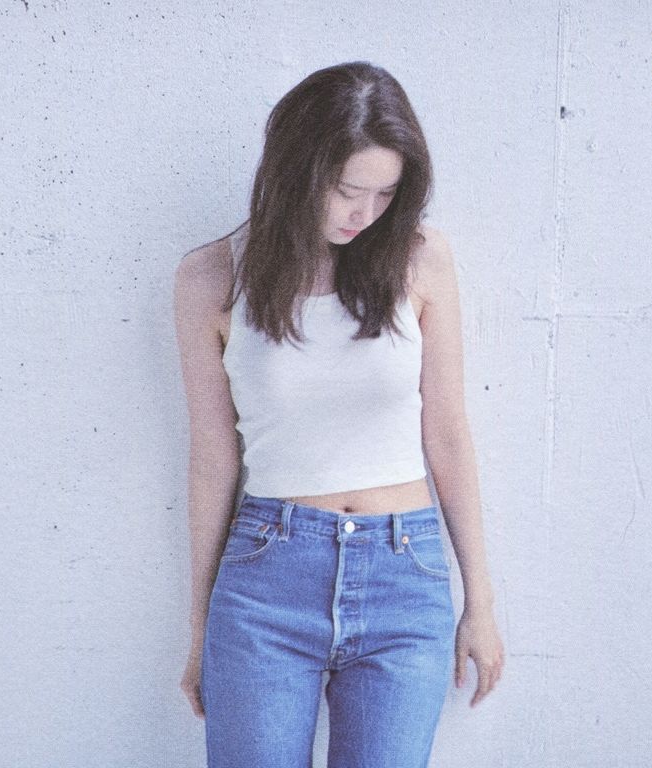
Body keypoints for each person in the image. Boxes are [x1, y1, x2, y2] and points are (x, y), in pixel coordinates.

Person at [174, 60, 504, 768]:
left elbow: (447, 434)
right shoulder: (210, 278)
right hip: (266, 580)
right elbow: (211, 457)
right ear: (296, 171)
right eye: (348, 191)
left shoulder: (420, 260)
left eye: (387, 194)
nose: (366, 214)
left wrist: (481, 599)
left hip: (404, 573)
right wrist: (201, 627)